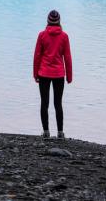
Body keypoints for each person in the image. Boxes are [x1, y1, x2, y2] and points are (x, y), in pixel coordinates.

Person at [33, 9, 73, 139]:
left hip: (43, 73)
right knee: (58, 103)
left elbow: (37, 56)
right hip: (59, 74)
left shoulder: (42, 35)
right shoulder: (64, 36)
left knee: (44, 103)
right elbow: (67, 57)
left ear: (48, 21)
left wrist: (35, 73)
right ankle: (60, 133)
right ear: (59, 21)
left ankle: (46, 132)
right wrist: (70, 76)